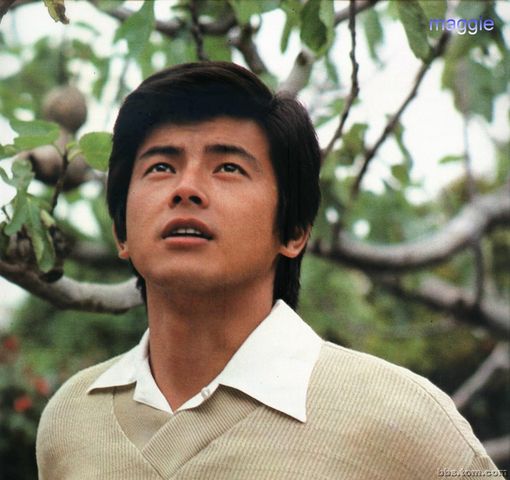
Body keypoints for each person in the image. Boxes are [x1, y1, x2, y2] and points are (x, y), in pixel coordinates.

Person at [36, 62, 501, 479]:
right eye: (160, 166)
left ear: (294, 231)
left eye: (228, 168)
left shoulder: (401, 418)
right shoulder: (71, 419)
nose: (187, 188)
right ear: (121, 232)